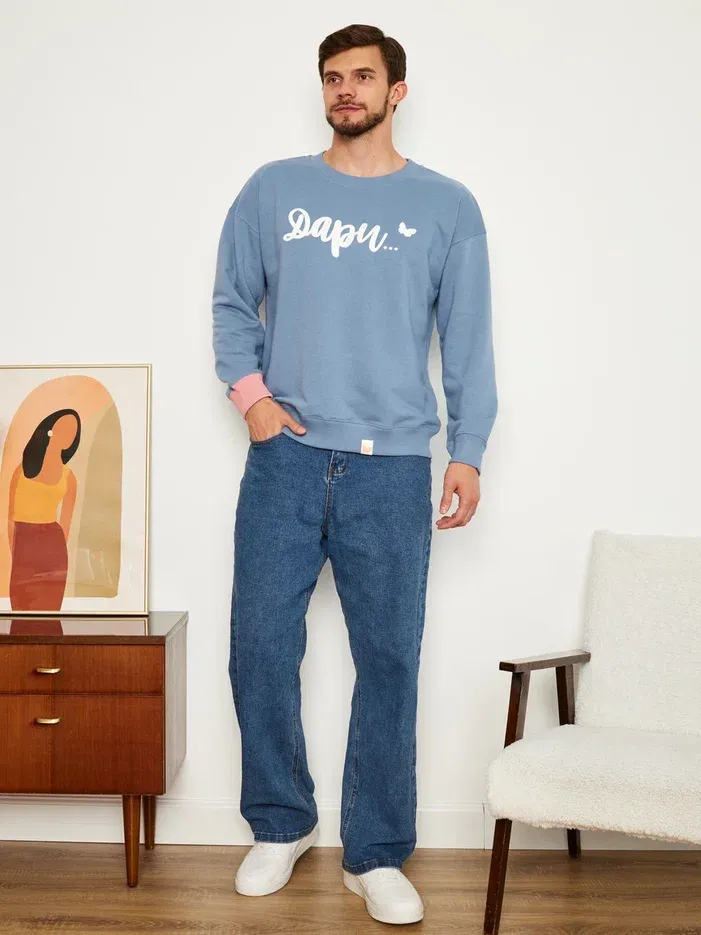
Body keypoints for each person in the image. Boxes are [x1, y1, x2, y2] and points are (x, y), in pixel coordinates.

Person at [212, 23, 497, 926]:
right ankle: (281, 821)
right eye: (333, 77)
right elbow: (231, 300)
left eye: (363, 77)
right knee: (259, 646)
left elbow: (467, 338)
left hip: (393, 468)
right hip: (286, 459)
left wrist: (468, 448)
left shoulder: (446, 205)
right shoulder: (273, 189)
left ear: (395, 90)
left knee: (389, 661)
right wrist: (253, 399)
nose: (345, 90)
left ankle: (373, 852)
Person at [7, 409, 80, 611]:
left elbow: (66, 524)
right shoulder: (21, 469)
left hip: (52, 545)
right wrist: (16, 551)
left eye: (73, 431)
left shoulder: (69, 477)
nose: (68, 434)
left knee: (49, 612)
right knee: (21, 610)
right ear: (50, 429)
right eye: (63, 427)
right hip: (23, 542)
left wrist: (54, 559)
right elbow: (10, 516)